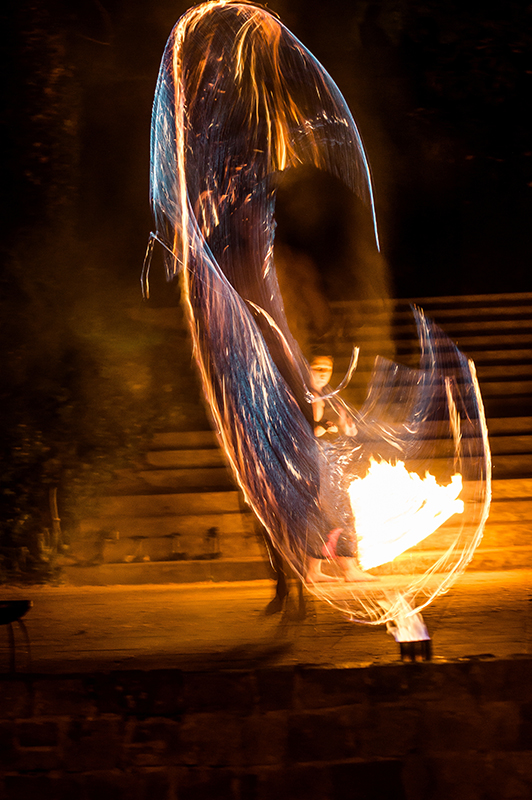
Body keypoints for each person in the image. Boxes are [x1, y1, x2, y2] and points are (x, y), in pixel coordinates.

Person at [305, 354, 375, 584]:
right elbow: (307, 432)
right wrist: (323, 428)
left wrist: (345, 427)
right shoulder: (309, 396)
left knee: (322, 517)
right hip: (319, 465)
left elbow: (347, 429)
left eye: (328, 368)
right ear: (307, 368)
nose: (324, 372)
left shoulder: (329, 397)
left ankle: (313, 571)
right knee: (341, 514)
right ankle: (349, 569)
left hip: (325, 465)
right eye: (318, 367)